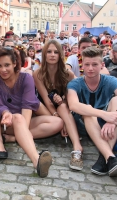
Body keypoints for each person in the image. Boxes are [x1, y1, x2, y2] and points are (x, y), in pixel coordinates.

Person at [0, 47, 63, 177]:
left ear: (15, 64)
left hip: (24, 120)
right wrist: (6, 113)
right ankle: (36, 160)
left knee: (58, 122)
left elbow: (27, 105)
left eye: (7, 65)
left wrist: (22, 128)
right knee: (17, 118)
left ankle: (14, 139)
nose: (3, 70)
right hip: (7, 123)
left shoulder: (26, 78)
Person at [67, 46, 117, 177]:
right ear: (82, 65)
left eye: (95, 64)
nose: (91, 68)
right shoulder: (75, 83)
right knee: (88, 112)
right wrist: (105, 115)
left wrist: (113, 119)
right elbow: (73, 105)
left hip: (108, 125)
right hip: (86, 125)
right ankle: (110, 156)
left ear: (102, 65)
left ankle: (106, 159)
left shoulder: (110, 80)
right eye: (87, 64)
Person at [33, 40, 83, 170]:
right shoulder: (38, 74)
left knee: (62, 106)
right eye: (49, 51)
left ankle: (77, 148)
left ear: (61, 54)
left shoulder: (68, 74)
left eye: (56, 52)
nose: (52, 55)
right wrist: (59, 118)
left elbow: (70, 99)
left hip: (64, 107)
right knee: (52, 107)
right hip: (44, 107)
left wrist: (62, 106)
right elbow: (45, 98)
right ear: (44, 54)